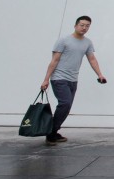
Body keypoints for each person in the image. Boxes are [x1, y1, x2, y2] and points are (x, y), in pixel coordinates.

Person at [40, 15, 106, 145]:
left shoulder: (87, 42)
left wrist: (100, 74)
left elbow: (92, 59)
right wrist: (46, 79)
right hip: (59, 78)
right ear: (75, 25)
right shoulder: (63, 41)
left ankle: (53, 131)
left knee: (67, 106)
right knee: (65, 103)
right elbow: (54, 60)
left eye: (87, 26)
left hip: (73, 79)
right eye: (82, 25)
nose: (84, 28)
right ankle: (51, 132)